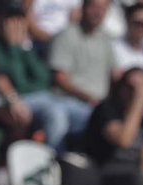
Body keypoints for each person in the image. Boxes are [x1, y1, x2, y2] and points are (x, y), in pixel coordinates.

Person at [0, 3, 68, 150]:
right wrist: (14, 48)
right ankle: (55, 156)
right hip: (10, 101)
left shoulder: (27, 46)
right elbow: (18, 84)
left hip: (43, 98)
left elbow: (43, 80)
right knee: (56, 113)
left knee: (83, 113)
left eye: (20, 19)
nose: (16, 25)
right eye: (11, 19)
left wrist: (23, 49)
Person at [47, 0, 116, 143]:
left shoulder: (106, 40)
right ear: (83, 8)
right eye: (94, 7)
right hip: (68, 101)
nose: (98, 13)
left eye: (102, 9)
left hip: (99, 106)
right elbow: (60, 78)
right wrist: (88, 98)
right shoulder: (66, 35)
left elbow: (115, 74)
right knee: (57, 116)